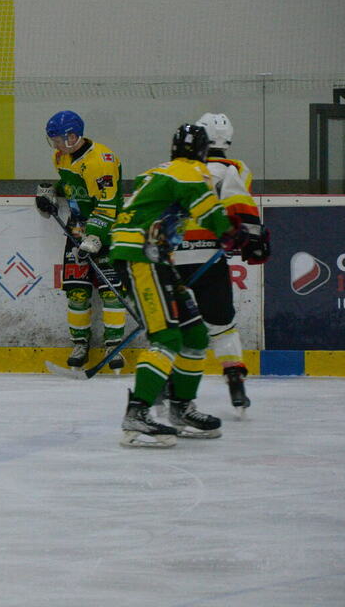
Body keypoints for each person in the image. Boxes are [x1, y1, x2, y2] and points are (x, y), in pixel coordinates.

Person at [109, 124, 252, 448]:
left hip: (153, 257)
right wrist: (233, 233)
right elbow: (208, 209)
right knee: (168, 337)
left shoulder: (161, 171)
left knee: (195, 334)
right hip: (141, 257)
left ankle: (180, 407)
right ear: (202, 151)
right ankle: (137, 415)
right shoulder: (191, 172)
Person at [168, 113, 270, 417]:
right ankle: (235, 379)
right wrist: (252, 239)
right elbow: (240, 206)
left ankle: (166, 382)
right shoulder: (235, 169)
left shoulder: (176, 169)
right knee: (222, 323)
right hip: (209, 259)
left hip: (173, 259)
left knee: (173, 325)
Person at [35, 110, 127, 372]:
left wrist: (95, 237)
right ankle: (79, 345)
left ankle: (114, 346)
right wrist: (51, 192)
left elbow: (108, 205)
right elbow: (74, 185)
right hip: (77, 229)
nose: (55, 145)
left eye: (58, 139)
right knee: (76, 291)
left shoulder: (102, 161)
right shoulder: (60, 157)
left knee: (112, 291)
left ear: (73, 136)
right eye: (52, 139)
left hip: (109, 229)